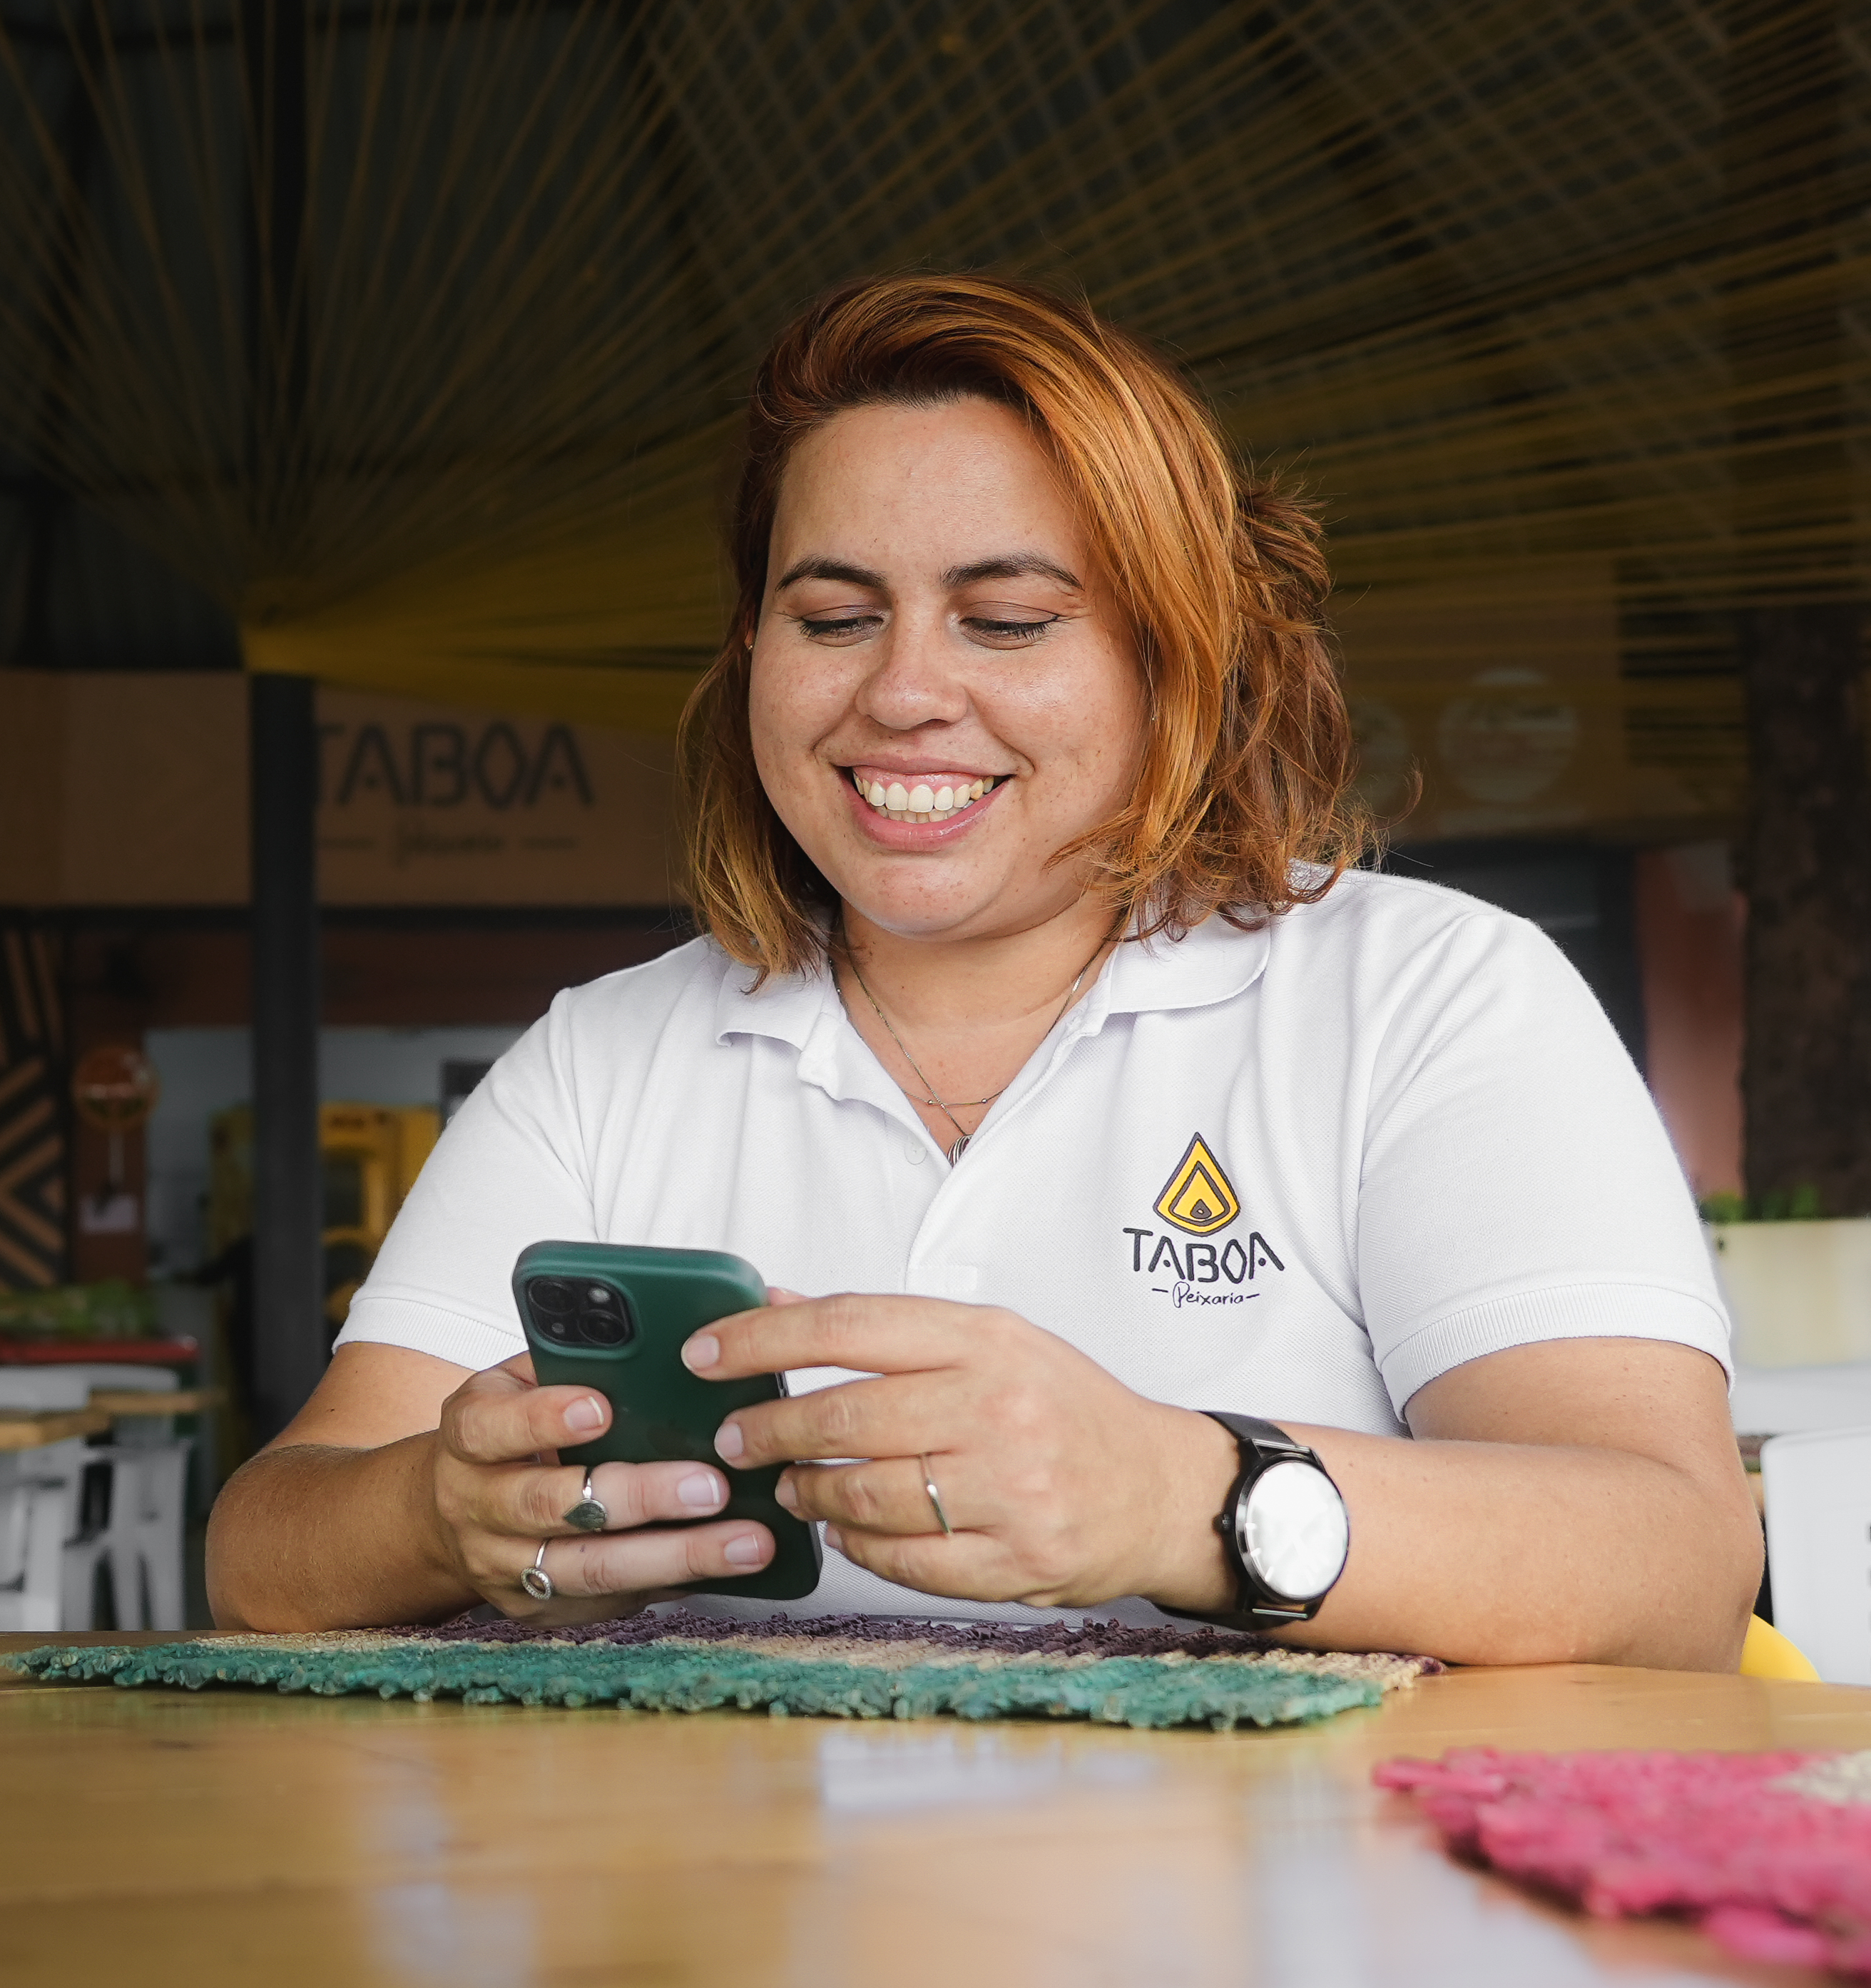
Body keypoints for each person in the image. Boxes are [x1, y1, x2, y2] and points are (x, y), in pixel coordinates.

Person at [205, 273, 1763, 1669]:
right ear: (750, 652)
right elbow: (266, 1546)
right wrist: (436, 1509)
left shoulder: (1422, 998)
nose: (902, 692)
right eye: (832, 615)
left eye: (1005, 618)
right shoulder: (604, 1057)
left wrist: (1184, 1499)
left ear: (1175, 659)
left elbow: (1674, 1563)